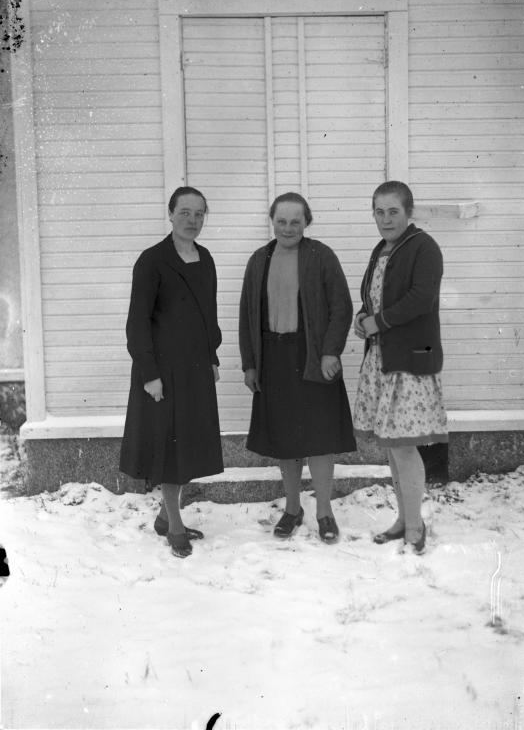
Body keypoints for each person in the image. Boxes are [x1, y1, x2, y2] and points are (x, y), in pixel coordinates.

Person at [239, 192, 356, 544]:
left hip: (313, 357)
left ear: (307, 222)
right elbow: (246, 315)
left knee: (319, 438)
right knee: (285, 440)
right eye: (281, 221)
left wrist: (330, 352)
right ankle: (292, 509)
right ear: (272, 222)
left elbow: (341, 307)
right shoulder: (259, 260)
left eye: (295, 221)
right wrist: (250, 364)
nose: (288, 228)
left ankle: (324, 512)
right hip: (274, 359)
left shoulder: (321, 256)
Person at [120, 187, 223, 558]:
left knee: (189, 445)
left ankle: (166, 516)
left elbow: (208, 315)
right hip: (161, 372)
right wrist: (149, 373)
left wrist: (212, 356)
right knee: (170, 449)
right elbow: (137, 323)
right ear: (170, 214)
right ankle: (175, 526)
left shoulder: (205, 258)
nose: (192, 221)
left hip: (196, 369)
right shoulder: (152, 261)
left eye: (199, 214)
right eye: (184, 212)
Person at [353, 181, 448, 554]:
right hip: (382, 359)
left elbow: (421, 298)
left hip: (408, 362)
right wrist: (363, 317)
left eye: (393, 211)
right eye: (379, 212)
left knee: (405, 448)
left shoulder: (424, 247)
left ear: (409, 212)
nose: (386, 219)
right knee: (393, 448)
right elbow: (373, 297)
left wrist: (378, 322)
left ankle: (415, 525)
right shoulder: (381, 249)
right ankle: (404, 519)